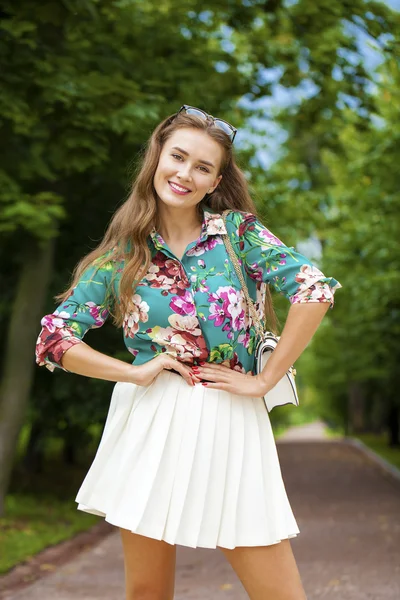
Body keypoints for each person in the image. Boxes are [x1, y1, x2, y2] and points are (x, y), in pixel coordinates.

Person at [35, 105, 341, 600]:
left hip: (231, 419)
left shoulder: (239, 235)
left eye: (202, 167)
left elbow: (315, 290)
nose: (185, 174)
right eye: (178, 157)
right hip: (151, 422)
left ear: (215, 180)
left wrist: (264, 380)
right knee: (148, 593)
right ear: (158, 157)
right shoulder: (120, 258)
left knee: (280, 594)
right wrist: (132, 375)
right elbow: (54, 338)